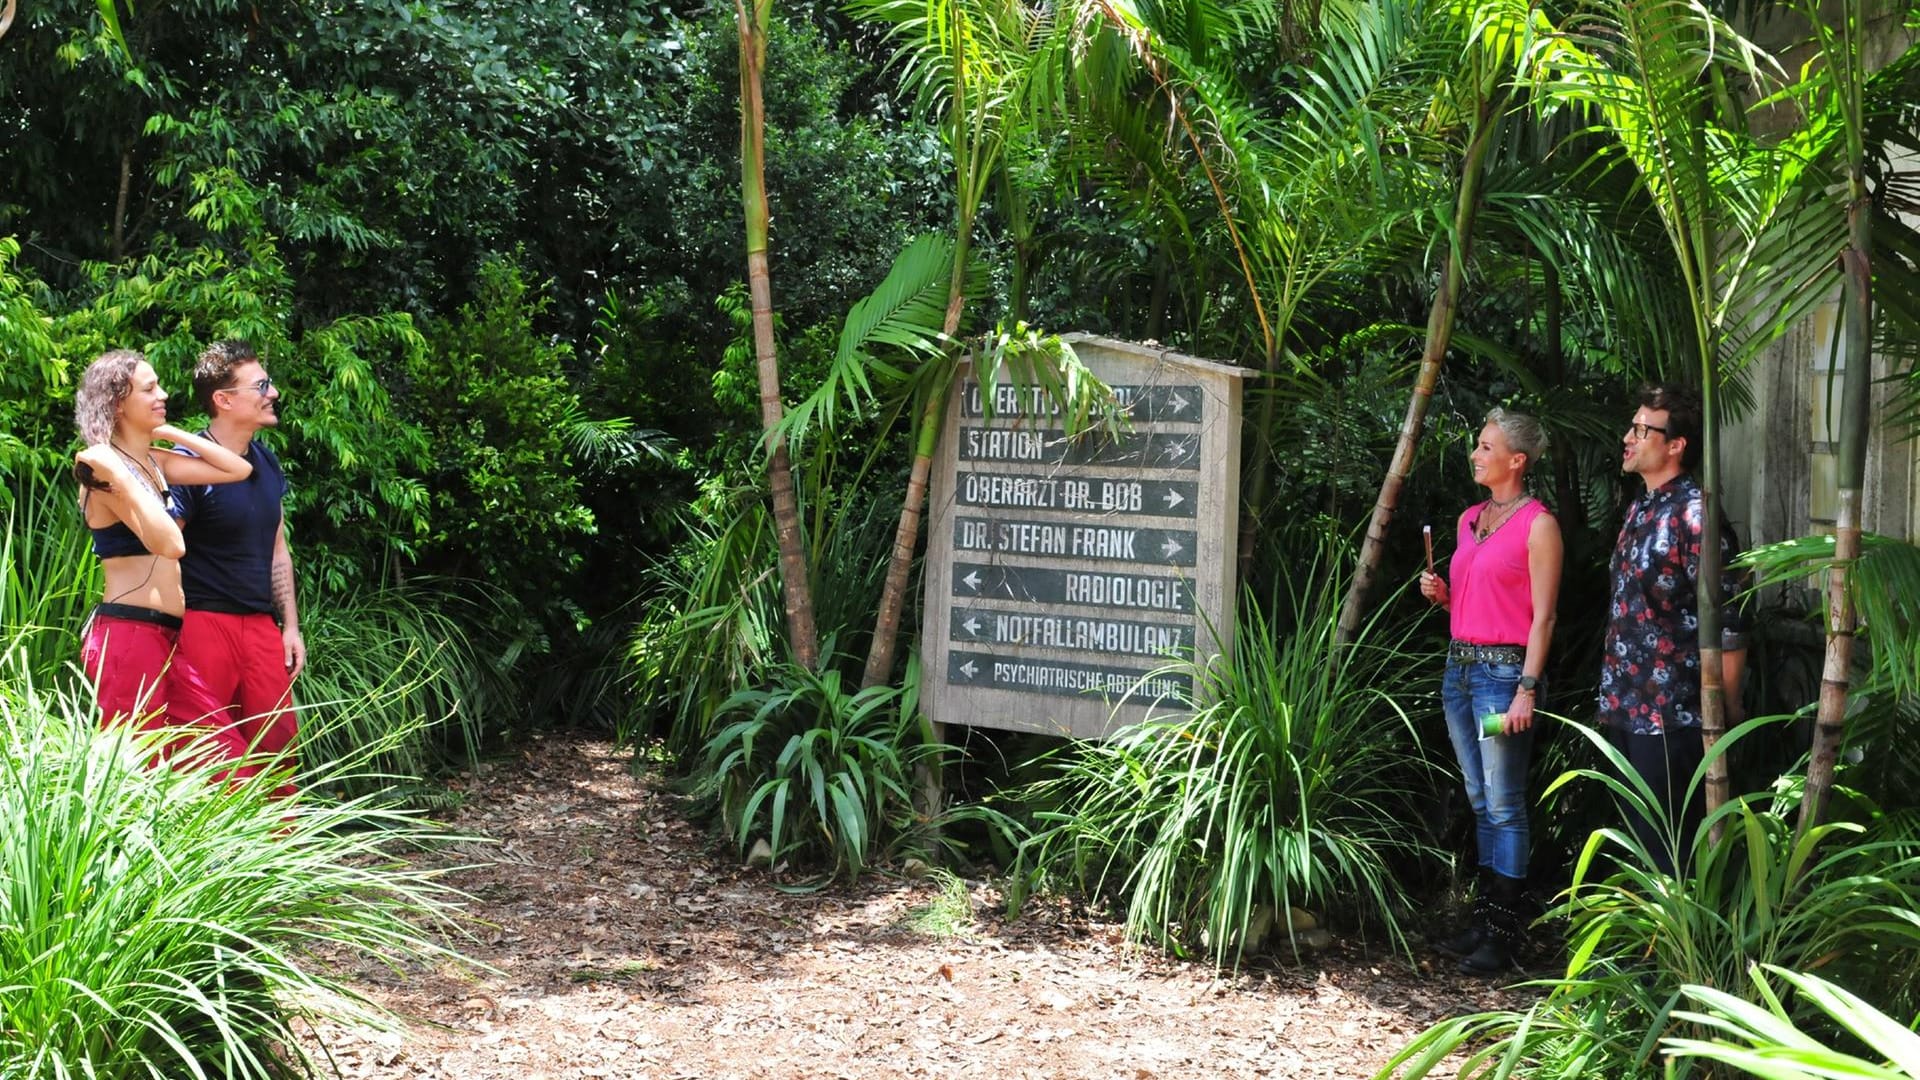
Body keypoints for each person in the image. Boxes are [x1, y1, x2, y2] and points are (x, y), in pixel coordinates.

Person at [1419, 408, 1562, 974]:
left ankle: (1503, 934)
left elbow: (1543, 618)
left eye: (1485, 446)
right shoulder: (1469, 518)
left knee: (1504, 803)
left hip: (1505, 680)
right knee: (1480, 799)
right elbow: (1475, 601)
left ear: (1516, 460)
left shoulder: (1539, 524)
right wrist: (1442, 595)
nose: (1476, 454)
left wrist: (1527, 688)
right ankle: (1483, 922)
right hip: (1460, 673)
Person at [1599, 383, 1748, 875]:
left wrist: (1724, 708)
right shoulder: (1641, 506)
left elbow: (1729, 619)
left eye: (1642, 430)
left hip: (1673, 714)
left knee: (1669, 849)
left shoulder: (1695, 512)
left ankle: (1679, 950)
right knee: (1636, 844)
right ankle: (1644, 946)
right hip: (1624, 702)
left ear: (1676, 444)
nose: (1628, 437)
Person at [72, 349, 252, 737]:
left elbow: (239, 468)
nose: (163, 394)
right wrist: (118, 470)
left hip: (167, 638)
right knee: (139, 772)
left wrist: (169, 434)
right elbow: (171, 543)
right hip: (128, 637)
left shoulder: (154, 461)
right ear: (118, 403)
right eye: (150, 388)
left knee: (227, 760)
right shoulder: (102, 472)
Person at [169, 341, 305, 794]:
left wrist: (289, 627)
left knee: (279, 748)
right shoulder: (188, 465)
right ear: (223, 400)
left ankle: (280, 856)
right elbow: (163, 548)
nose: (274, 392)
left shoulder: (266, 461)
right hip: (203, 624)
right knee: (207, 751)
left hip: (260, 628)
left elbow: (277, 547)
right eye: (261, 385)